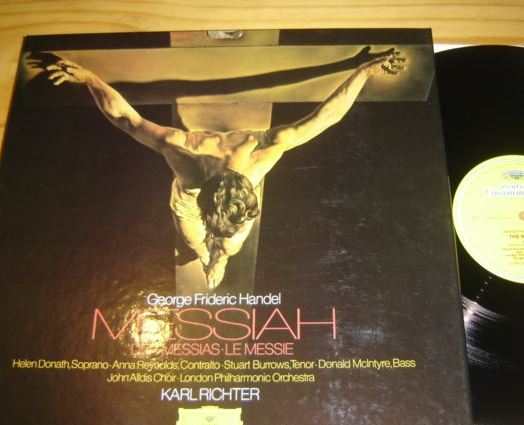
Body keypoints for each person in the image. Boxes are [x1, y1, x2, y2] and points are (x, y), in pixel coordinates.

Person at [46, 48, 406, 289]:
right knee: (193, 241)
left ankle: (219, 259)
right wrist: (89, 79)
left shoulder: (265, 151)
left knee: (232, 246)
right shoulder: (183, 152)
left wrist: (363, 71)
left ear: (249, 194)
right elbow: (127, 120)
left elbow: (327, 117)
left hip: (225, 205)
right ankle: (205, 255)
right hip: (189, 203)